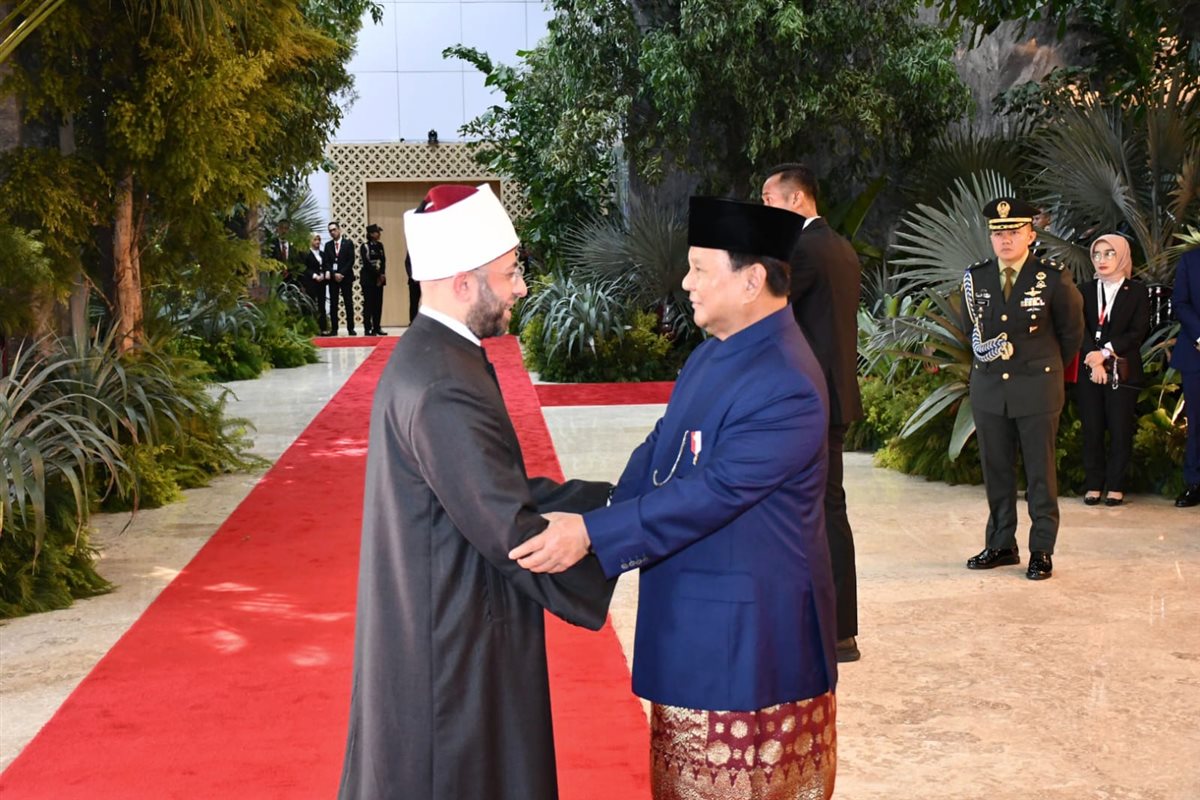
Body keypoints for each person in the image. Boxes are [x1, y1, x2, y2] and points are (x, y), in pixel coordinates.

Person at [511, 196, 839, 800]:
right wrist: (597, 514)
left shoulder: (785, 382)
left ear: (752, 281)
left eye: (698, 269)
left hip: (751, 646)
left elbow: (711, 493)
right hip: (702, 624)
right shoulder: (714, 352)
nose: (685, 283)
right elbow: (663, 447)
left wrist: (592, 535)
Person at [337, 184, 617, 800]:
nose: (521, 288)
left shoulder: (437, 353)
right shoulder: (443, 382)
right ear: (464, 284)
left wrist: (606, 501)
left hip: (444, 613)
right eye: (510, 273)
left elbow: (490, 484)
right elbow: (511, 529)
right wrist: (617, 528)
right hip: (451, 643)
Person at [762, 162, 864, 663]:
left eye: (769, 200)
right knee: (824, 508)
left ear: (797, 199)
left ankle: (833, 628)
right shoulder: (840, 246)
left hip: (808, 399)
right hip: (830, 394)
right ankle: (833, 627)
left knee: (817, 510)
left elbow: (764, 311)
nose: (763, 209)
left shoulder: (803, 249)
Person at [961, 197, 1084, 580]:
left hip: (1036, 388)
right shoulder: (977, 277)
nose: (1005, 239)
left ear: (1031, 235)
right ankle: (1001, 543)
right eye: (998, 233)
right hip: (989, 388)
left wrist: (1041, 368)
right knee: (997, 469)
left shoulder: (1052, 277)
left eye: (1013, 231)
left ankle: (1041, 549)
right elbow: (970, 329)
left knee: (1039, 473)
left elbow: (1071, 334)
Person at [1077, 234, 1150, 506]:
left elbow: (1137, 332)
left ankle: (1116, 486)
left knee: (1120, 429)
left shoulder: (1137, 291)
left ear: (1121, 256)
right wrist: (1093, 359)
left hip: (1122, 369)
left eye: (1109, 253)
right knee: (1092, 428)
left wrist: (1105, 353)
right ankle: (1094, 484)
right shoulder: (1084, 290)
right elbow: (1078, 328)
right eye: (1097, 254)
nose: (1102, 259)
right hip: (1089, 369)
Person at [1170, 247, 1200, 507]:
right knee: (1197, 423)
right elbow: (1180, 302)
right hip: (1195, 351)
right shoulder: (1190, 260)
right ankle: (1195, 483)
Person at [323, 221, 356, 335]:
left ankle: (351, 328)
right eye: (330, 231)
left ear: (339, 230)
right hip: (333, 278)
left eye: (334, 230)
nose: (332, 232)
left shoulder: (348, 243)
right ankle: (334, 329)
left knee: (348, 303)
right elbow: (326, 262)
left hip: (345, 277)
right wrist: (334, 274)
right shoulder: (328, 245)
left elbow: (351, 260)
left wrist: (341, 273)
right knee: (333, 304)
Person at [359, 223, 387, 335]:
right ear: (371, 234)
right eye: (377, 232)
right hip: (368, 279)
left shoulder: (380, 245)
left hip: (379, 280)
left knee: (378, 304)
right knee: (369, 304)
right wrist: (377, 274)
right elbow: (366, 264)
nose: (379, 234)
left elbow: (383, 261)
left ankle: (377, 327)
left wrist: (382, 274)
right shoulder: (365, 246)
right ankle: (367, 328)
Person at [302, 233, 328, 334]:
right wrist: (314, 276)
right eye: (315, 239)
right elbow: (305, 268)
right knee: (311, 304)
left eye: (319, 240)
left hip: (321, 282)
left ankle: (323, 328)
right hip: (311, 282)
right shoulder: (306, 253)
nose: (317, 242)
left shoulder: (322, 254)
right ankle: (311, 328)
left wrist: (325, 273)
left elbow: (325, 265)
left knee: (322, 305)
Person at [404, 251, 421, 323]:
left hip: (426, 281)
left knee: (428, 304)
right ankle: (413, 322)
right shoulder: (412, 249)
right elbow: (407, 263)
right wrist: (412, 276)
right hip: (414, 281)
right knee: (414, 302)